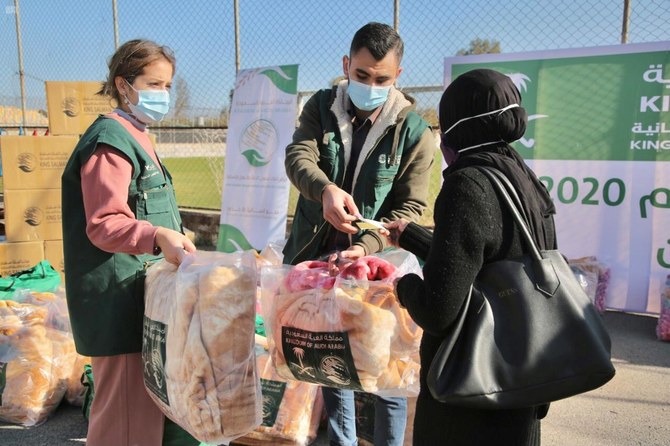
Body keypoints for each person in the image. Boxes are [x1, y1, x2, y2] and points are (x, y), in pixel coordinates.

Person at [283, 22, 436, 446]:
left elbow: (411, 207)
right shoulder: (321, 106)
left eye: (381, 79)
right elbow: (299, 156)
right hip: (321, 260)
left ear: (397, 76)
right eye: (362, 75)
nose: (370, 84)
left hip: (378, 266)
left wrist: (364, 246)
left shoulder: (415, 132)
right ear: (347, 65)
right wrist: (325, 190)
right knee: (333, 364)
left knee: (384, 371)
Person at [385, 68, 556, 445]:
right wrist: (412, 237)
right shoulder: (520, 177)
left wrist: (403, 285)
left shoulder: (468, 184)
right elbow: (493, 262)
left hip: (474, 397)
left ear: (454, 129)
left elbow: (439, 310)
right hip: (521, 380)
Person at [61, 39, 198, 446]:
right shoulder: (110, 140)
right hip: (117, 305)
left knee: (141, 422)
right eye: (154, 85)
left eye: (168, 86)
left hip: (139, 299)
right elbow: (104, 222)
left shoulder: (136, 134)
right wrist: (156, 236)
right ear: (123, 85)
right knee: (124, 425)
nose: (164, 96)